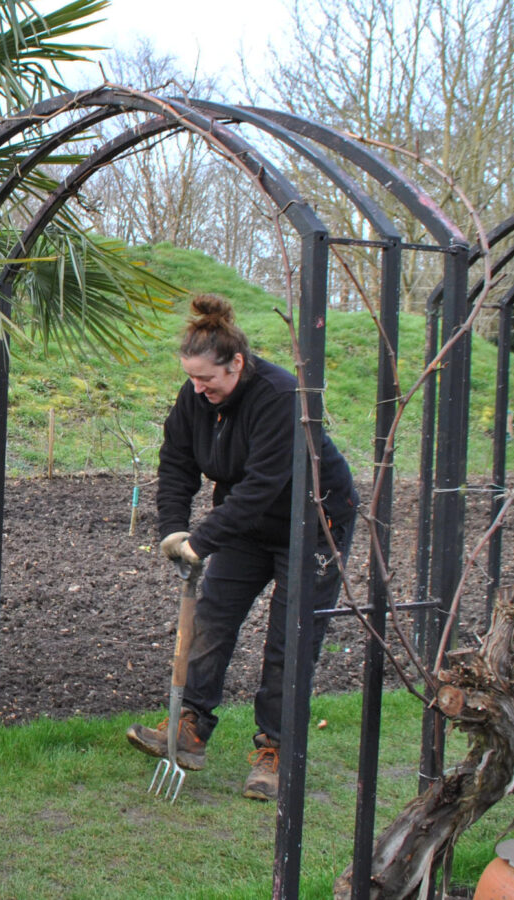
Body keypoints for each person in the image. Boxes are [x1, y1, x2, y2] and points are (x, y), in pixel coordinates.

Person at [126, 293, 357, 801]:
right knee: (212, 619)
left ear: (237, 363)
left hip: (313, 524)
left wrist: (204, 540)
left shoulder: (280, 395)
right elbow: (177, 464)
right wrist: (173, 529)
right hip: (247, 527)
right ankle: (189, 729)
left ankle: (275, 751)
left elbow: (264, 483)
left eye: (207, 378)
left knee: (289, 640)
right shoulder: (196, 398)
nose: (197, 387)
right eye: (190, 378)